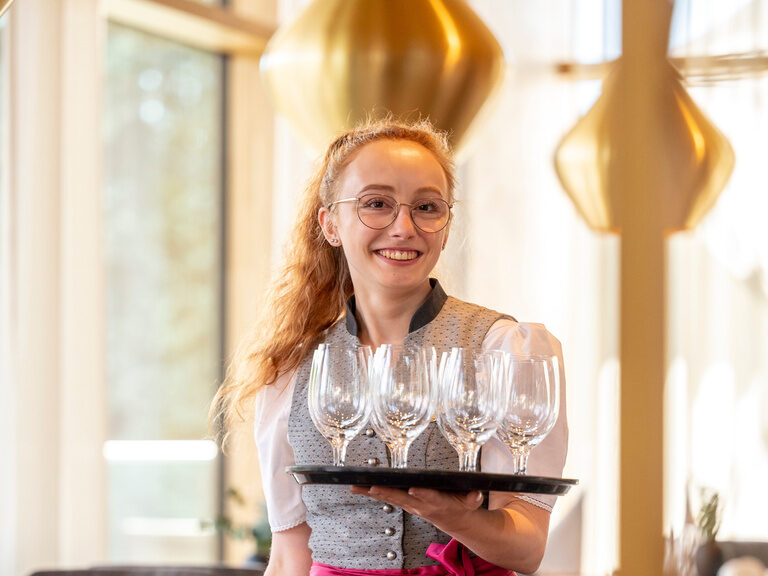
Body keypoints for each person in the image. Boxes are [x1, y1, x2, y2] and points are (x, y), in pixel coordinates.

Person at [211, 118, 568, 576]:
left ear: (445, 223)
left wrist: (451, 514)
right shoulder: (292, 368)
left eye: (426, 206)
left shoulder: (503, 350)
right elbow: (289, 556)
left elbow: (527, 550)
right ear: (331, 224)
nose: (404, 227)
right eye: (376, 204)